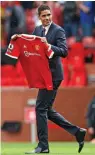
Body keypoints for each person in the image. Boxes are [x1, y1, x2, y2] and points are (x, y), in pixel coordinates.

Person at [24, 4, 86, 154]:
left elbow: (64, 51)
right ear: (39, 17)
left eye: (48, 15)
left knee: (40, 108)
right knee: (47, 110)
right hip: (42, 75)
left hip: (53, 76)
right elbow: (31, 46)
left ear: (51, 15)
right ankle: (77, 132)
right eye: (44, 16)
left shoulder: (58, 30)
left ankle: (43, 146)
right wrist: (18, 38)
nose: (47, 18)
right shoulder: (37, 30)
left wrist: (48, 45)